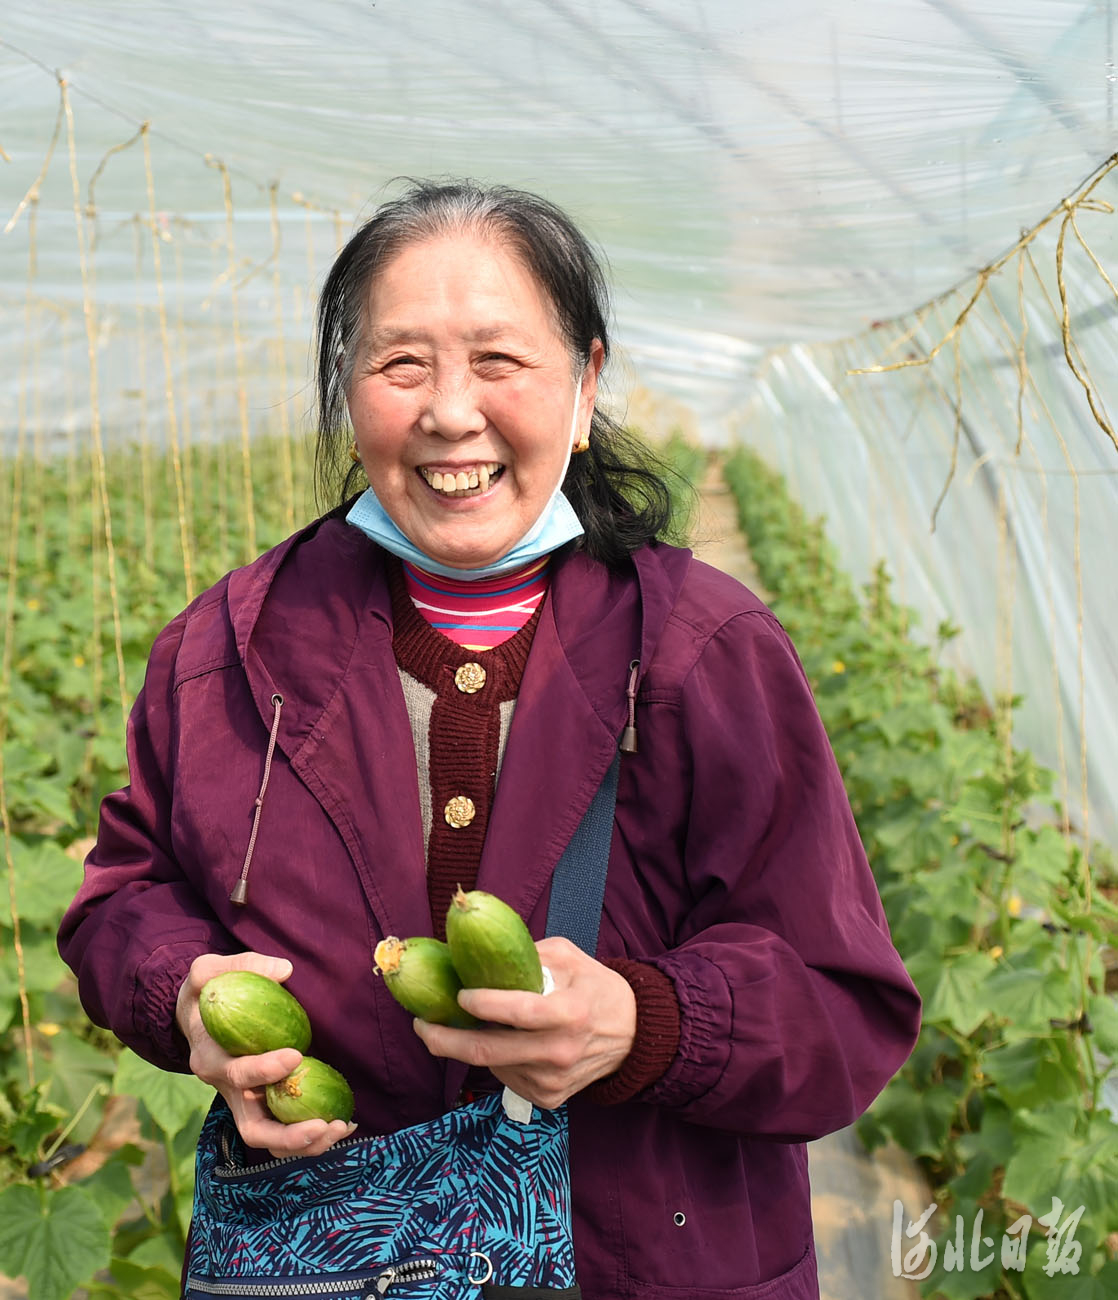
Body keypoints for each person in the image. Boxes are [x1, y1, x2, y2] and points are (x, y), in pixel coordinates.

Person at [58, 179, 921, 1299]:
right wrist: (184, 992)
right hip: (322, 1263)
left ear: (584, 384)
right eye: (400, 363)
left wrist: (644, 1022)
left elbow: (840, 1004)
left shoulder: (705, 652)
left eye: (498, 362)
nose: (449, 412)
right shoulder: (225, 651)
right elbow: (123, 900)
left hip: (650, 1263)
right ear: (346, 388)